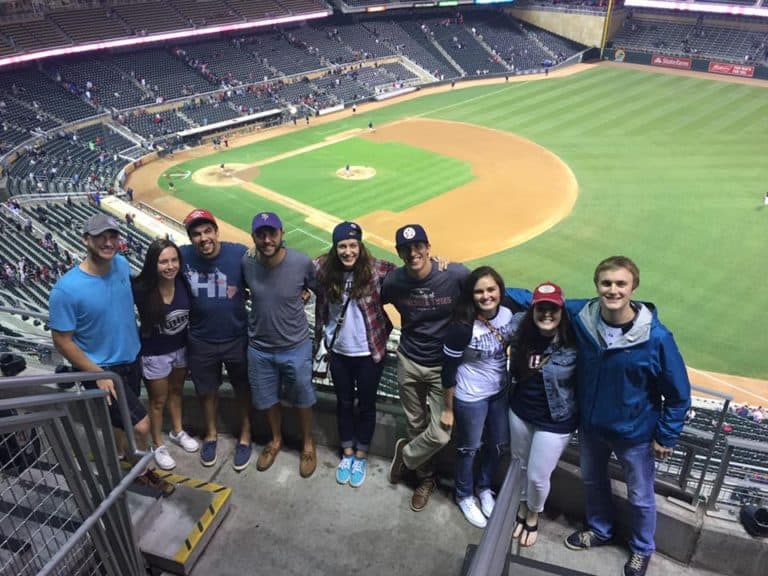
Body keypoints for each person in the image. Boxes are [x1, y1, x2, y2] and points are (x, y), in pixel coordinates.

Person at [509, 256, 691, 576]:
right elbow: (535, 299)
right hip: (591, 426)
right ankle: (600, 530)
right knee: (593, 482)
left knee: (640, 496)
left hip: (634, 432)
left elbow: (678, 393)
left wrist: (666, 435)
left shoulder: (657, 337)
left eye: (621, 283)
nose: (613, 290)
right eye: (606, 283)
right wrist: (472, 284)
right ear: (597, 286)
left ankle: (641, 549)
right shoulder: (584, 315)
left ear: (634, 286)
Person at [49, 214, 172, 494]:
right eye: (100, 237)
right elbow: (62, 342)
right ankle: (142, 470)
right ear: (86, 240)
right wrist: (98, 375)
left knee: (120, 422)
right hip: (103, 370)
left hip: (131, 358)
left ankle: (120, 458)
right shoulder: (66, 289)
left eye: (112, 236)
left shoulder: (120, 264)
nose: (107, 242)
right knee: (141, 426)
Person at [385, 224, 469, 511]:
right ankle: (426, 479)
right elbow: (371, 301)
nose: (413, 253)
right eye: (406, 249)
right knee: (415, 424)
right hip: (408, 360)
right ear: (398, 253)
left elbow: (486, 291)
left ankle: (406, 455)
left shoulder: (454, 274)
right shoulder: (394, 281)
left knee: (442, 431)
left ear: (428, 247)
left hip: (441, 369)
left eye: (418, 246)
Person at [313, 222, 396, 487]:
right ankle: (347, 452)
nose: (348, 251)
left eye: (353, 246)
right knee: (344, 404)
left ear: (360, 246)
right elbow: (299, 267)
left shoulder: (375, 269)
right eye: (342, 246)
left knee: (367, 405)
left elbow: (408, 274)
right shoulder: (323, 269)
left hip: (370, 352)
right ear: (335, 248)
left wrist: (442, 266)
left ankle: (361, 454)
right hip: (338, 352)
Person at [243, 212, 319, 478]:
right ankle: (275, 440)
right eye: (261, 234)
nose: (267, 239)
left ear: (281, 234)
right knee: (267, 400)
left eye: (271, 233)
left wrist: (306, 294)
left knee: (303, 400)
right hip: (260, 348)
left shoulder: (301, 262)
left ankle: (308, 444)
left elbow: (315, 286)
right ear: (253, 237)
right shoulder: (247, 261)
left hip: (295, 346)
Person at [441, 266, 518, 528]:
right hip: (470, 395)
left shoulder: (509, 311)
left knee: (498, 443)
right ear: (471, 295)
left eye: (491, 289)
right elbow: (448, 369)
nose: (486, 296)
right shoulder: (462, 326)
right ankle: (464, 494)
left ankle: (484, 488)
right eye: (479, 291)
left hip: (499, 392)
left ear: (500, 290)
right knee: (469, 448)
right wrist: (448, 408)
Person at [180, 209, 253, 471]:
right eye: (196, 234)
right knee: (205, 391)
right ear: (191, 238)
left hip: (237, 336)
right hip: (200, 339)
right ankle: (210, 434)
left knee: (243, 390)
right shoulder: (182, 255)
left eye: (207, 231)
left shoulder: (239, 253)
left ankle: (246, 435)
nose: (203, 238)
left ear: (216, 231)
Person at [508, 282, 577, 546]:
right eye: (541, 308)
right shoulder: (518, 327)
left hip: (556, 421)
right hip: (520, 412)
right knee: (520, 466)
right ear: (532, 308)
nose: (547, 313)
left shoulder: (574, 339)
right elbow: (499, 296)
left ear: (562, 310)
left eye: (553, 308)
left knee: (537, 476)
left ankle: (533, 515)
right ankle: (522, 507)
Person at [132, 239, 199, 471]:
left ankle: (177, 431)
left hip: (180, 348)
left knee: (176, 392)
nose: (170, 266)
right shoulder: (141, 289)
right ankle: (157, 444)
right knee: (157, 401)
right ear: (153, 264)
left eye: (174, 260)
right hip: (155, 353)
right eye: (163, 261)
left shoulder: (183, 282)